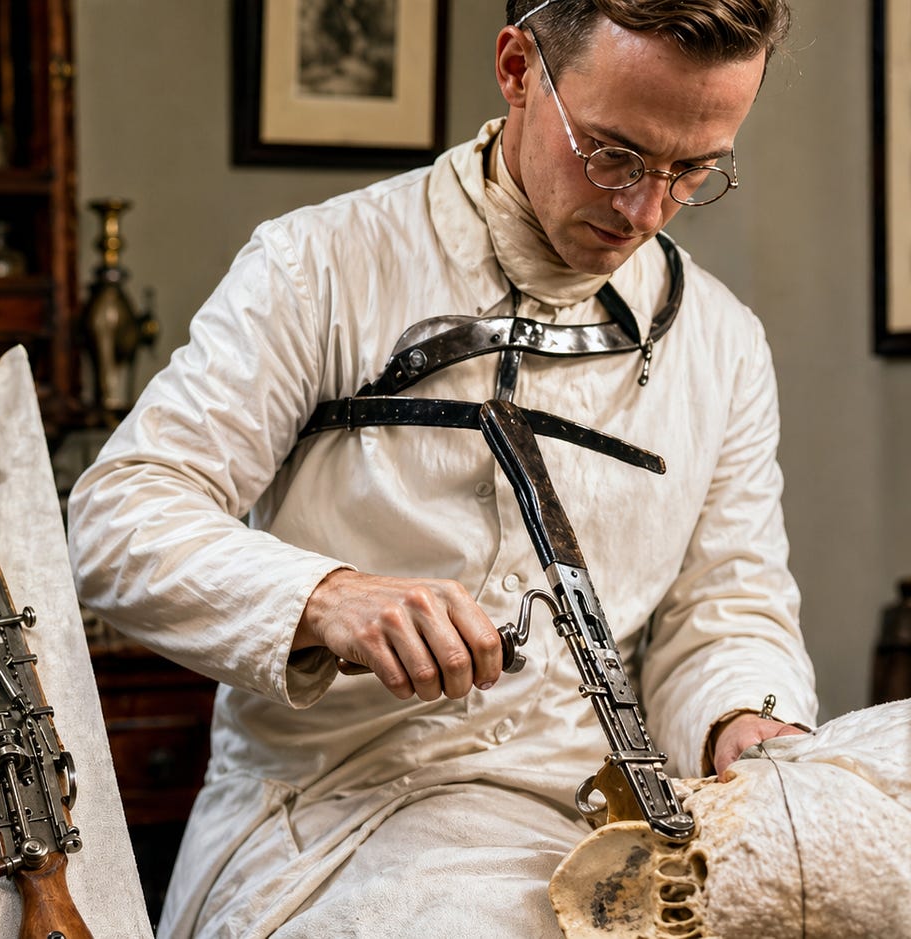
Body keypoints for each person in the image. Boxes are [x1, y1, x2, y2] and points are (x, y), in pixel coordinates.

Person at [67, 1, 818, 936]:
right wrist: (326, 598)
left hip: (592, 824)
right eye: (613, 154)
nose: (644, 210)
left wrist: (742, 718)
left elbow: (725, 609)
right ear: (517, 69)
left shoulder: (722, 342)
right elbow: (118, 517)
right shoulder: (319, 265)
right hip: (330, 818)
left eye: (693, 169)